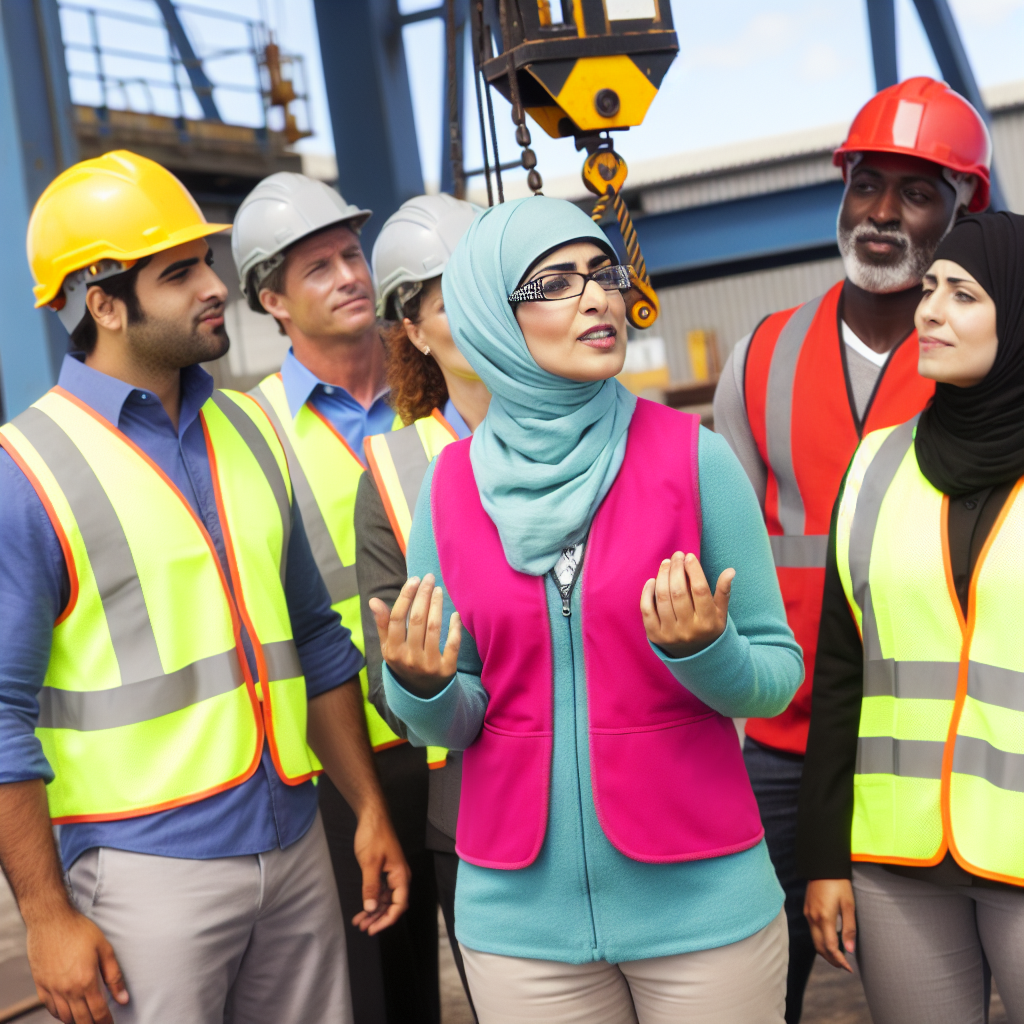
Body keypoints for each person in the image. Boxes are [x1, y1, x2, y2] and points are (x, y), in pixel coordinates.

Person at [370, 195, 805, 1024]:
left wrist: (707, 652)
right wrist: (421, 687)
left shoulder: (695, 458)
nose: (598, 297)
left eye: (604, 273)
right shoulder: (450, 489)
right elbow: (454, 720)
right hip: (517, 924)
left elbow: (777, 675)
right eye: (557, 283)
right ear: (492, 317)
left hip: (704, 904)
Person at [0, 150, 409, 1024]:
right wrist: (45, 916)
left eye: (206, 262)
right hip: (145, 872)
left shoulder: (250, 434)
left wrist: (368, 807)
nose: (215, 286)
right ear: (103, 302)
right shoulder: (26, 471)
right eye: (178, 273)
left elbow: (315, 640)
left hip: (297, 842)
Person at [712, 75, 992, 1022]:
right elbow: (723, 547)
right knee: (756, 987)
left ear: (963, 212)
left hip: (942, 746)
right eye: (866, 185)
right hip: (784, 746)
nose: (881, 214)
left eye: (915, 193)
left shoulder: (984, 362)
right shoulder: (761, 355)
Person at [797, 210, 1024, 1024]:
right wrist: (824, 856)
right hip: (895, 859)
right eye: (929, 289)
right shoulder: (877, 463)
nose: (928, 310)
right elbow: (840, 671)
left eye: (963, 295)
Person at [231, 172, 429, 1024]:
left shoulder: (437, 391)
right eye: (318, 268)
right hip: (343, 765)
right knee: (382, 996)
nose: (350, 275)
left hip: (462, 731)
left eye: (352, 254)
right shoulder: (249, 431)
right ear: (272, 301)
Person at [358, 194, 487, 1017]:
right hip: (478, 808)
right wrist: (421, 679)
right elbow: (393, 687)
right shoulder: (394, 473)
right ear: (411, 328)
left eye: (492, 284)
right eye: (450, 298)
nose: (479, 312)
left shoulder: (608, 425)